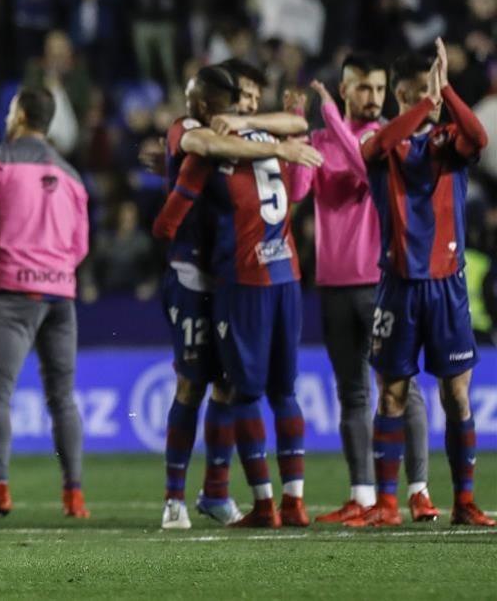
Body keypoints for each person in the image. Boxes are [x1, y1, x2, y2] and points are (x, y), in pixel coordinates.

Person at [151, 69, 322, 529]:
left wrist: (272, 130)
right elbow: (206, 146)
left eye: (252, 97)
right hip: (196, 277)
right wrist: (277, 145)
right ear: (215, 103)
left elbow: (291, 127)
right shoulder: (190, 129)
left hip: (238, 275)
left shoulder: (248, 130)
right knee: (193, 384)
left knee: (231, 387)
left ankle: (217, 493)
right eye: (241, 98)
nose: (248, 105)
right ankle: (173, 499)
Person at [347, 41, 493, 528]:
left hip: (446, 288)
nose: (419, 103)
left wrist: (445, 89)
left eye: (423, 94)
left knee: (457, 396)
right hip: (399, 286)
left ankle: (465, 502)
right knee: (391, 393)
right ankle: (387, 504)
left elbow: (480, 137)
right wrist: (427, 103)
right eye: (409, 96)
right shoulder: (383, 145)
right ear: (400, 99)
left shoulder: (450, 142)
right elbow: (376, 147)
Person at [290, 54, 438, 524]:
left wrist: (330, 116)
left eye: (379, 89)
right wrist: (297, 127)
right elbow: (296, 193)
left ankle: (418, 490)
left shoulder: (387, 138)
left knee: (401, 388)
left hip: (381, 282)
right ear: (346, 89)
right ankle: (364, 495)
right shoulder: (319, 139)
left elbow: (361, 167)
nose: (373, 98)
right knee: (352, 393)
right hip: (333, 285)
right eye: (363, 89)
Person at [0, 86, 90, 520]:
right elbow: (81, 246)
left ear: (18, 115)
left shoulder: (1, 158)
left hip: (13, 293)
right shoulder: (72, 176)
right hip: (61, 296)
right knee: (63, 399)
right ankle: (74, 497)